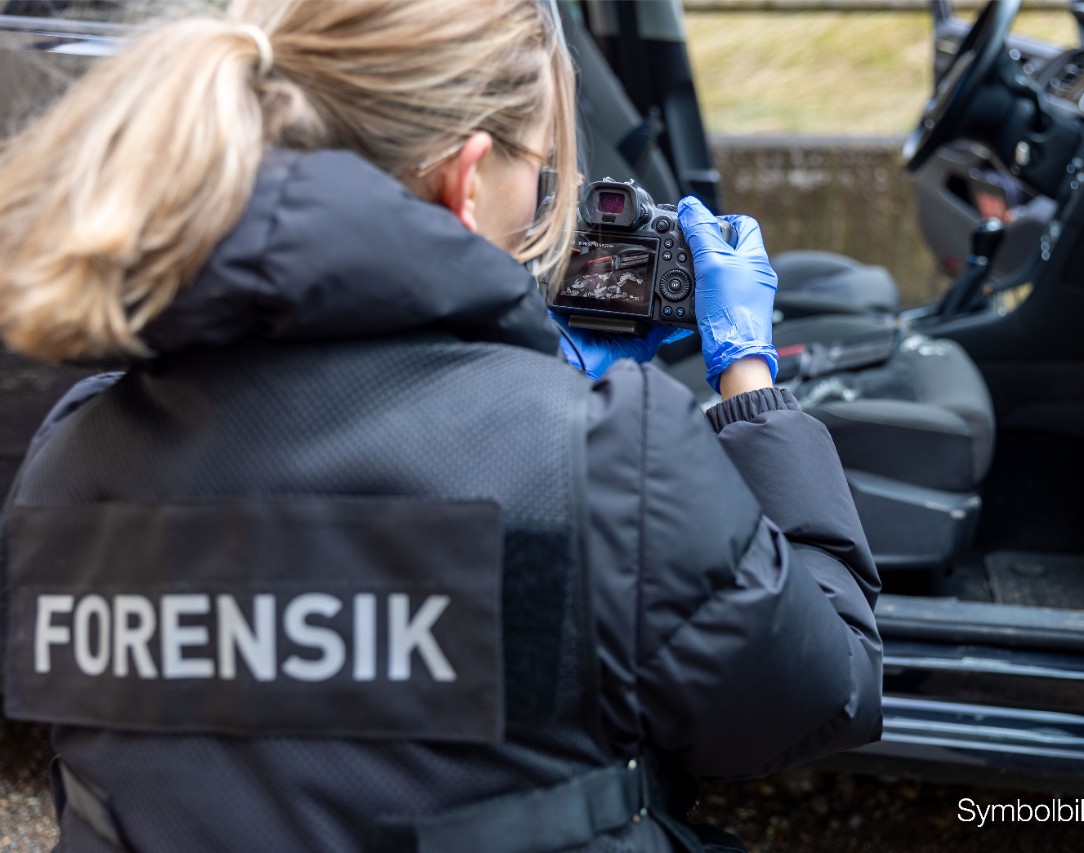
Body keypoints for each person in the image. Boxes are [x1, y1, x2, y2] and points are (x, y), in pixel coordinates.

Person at [0, 1, 882, 849]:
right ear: (465, 179)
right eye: (538, 169)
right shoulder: (606, 462)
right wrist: (746, 378)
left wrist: (536, 376)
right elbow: (825, 692)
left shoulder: (74, 457)